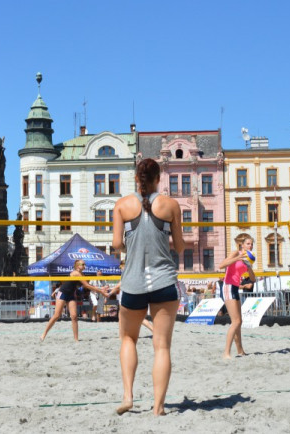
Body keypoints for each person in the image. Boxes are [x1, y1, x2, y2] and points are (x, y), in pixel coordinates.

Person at [111, 158, 183, 416]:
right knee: (162, 346)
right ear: (158, 179)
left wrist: (134, 241)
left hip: (133, 283)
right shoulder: (171, 205)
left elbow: (117, 244)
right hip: (164, 281)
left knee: (128, 339)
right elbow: (181, 246)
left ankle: (128, 396)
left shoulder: (121, 205)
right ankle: (158, 407)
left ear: (135, 179)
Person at [40, 260, 107, 342]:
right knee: (57, 315)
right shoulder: (76, 273)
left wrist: (101, 288)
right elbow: (86, 285)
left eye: (84, 264)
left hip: (71, 294)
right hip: (63, 293)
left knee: (74, 316)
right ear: (78, 266)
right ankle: (44, 334)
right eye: (83, 264)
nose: (84, 266)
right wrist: (100, 291)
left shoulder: (82, 274)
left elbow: (87, 286)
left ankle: (76, 339)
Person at [217, 235, 256, 359]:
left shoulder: (249, 260)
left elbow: (253, 279)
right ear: (242, 245)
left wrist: (249, 267)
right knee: (236, 321)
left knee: (239, 321)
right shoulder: (236, 253)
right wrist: (238, 257)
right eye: (248, 243)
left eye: (251, 244)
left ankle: (240, 351)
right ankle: (226, 353)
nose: (250, 245)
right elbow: (221, 265)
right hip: (227, 286)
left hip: (235, 287)